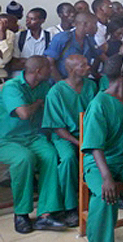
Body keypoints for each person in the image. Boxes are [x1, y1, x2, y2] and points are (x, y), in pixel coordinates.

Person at [0, 56, 68, 233]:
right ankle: (21, 213)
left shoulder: (44, 87)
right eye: (48, 68)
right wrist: (38, 103)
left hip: (31, 137)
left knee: (50, 155)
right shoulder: (12, 87)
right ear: (38, 71)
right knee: (24, 159)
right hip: (6, 139)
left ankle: (45, 214)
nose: (51, 70)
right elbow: (23, 113)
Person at [81, 54, 123, 242]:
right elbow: (95, 147)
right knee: (106, 197)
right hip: (100, 162)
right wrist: (107, 177)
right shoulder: (99, 105)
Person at [42, 55, 98, 227]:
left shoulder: (91, 86)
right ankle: (71, 207)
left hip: (88, 133)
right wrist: (78, 143)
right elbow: (57, 127)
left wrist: (89, 139)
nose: (88, 67)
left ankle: (100, 194)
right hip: (65, 136)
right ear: (72, 70)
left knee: (104, 152)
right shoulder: (56, 92)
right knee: (67, 159)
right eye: (83, 65)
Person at [44, 12, 102, 80]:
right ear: (84, 24)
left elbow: (98, 56)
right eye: (94, 24)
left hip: (80, 82)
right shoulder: (62, 38)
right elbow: (50, 63)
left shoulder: (89, 40)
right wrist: (61, 83)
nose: (96, 27)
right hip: (59, 82)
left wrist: (92, 72)